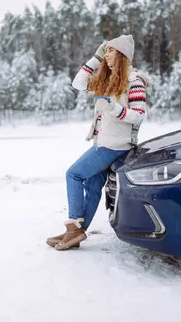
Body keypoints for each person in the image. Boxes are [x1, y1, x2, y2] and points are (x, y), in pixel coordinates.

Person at [47, 34, 151, 251]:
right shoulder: (108, 80)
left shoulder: (134, 82)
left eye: (111, 50)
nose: (107, 53)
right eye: (106, 50)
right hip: (104, 142)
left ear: (122, 55)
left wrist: (113, 108)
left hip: (115, 145)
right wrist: (95, 59)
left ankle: (74, 227)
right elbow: (78, 83)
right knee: (93, 186)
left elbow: (139, 115)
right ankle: (74, 234)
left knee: (73, 174)